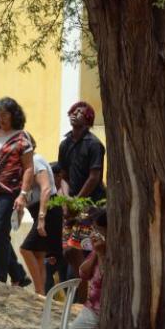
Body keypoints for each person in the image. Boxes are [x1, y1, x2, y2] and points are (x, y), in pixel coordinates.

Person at [0, 97, 33, 287]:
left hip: (9, 191)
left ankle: (0, 277)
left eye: (4, 114)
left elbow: (28, 168)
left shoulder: (21, 137)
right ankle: (18, 273)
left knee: (0, 230)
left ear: (13, 114)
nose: (0, 118)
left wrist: (23, 194)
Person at [57, 101, 105, 285]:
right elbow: (63, 176)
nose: (75, 113)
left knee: (82, 249)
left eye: (80, 111)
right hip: (72, 205)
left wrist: (77, 202)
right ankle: (81, 286)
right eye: (73, 110)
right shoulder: (65, 144)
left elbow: (94, 177)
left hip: (91, 206)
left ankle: (86, 288)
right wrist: (66, 200)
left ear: (89, 119)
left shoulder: (94, 144)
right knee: (68, 251)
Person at [63, 209, 106, 329]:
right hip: (92, 309)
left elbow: (107, 279)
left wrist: (103, 254)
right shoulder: (98, 250)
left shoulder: (121, 251)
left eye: (99, 230)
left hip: (107, 311)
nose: (95, 234)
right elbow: (83, 273)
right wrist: (97, 253)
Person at [18, 148, 62, 295]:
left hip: (48, 211)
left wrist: (41, 219)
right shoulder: (26, 166)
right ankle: (41, 294)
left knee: (25, 249)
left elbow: (46, 189)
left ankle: (38, 291)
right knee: (38, 254)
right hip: (39, 211)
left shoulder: (35, 161)